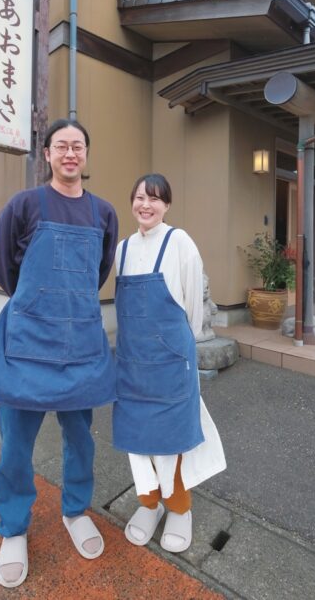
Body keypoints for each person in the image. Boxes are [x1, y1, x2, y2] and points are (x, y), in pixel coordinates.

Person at [0, 119, 118, 588]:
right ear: (47, 155)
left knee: (81, 438)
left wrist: (69, 306)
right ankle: (13, 528)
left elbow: (100, 270)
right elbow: (2, 265)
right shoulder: (24, 205)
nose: (70, 153)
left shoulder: (104, 213)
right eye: (61, 146)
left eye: (78, 146)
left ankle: (76, 510)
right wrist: (36, 302)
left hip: (82, 343)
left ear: (86, 155)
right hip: (26, 343)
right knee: (15, 443)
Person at [113, 173, 225, 553]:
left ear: (167, 206)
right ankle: (149, 504)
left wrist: (173, 348)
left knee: (171, 439)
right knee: (136, 438)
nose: (146, 205)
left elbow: (193, 310)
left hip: (170, 361)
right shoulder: (123, 249)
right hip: (130, 362)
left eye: (155, 199)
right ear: (132, 201)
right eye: (140, 196)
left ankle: (179, 508)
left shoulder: (180, 243)